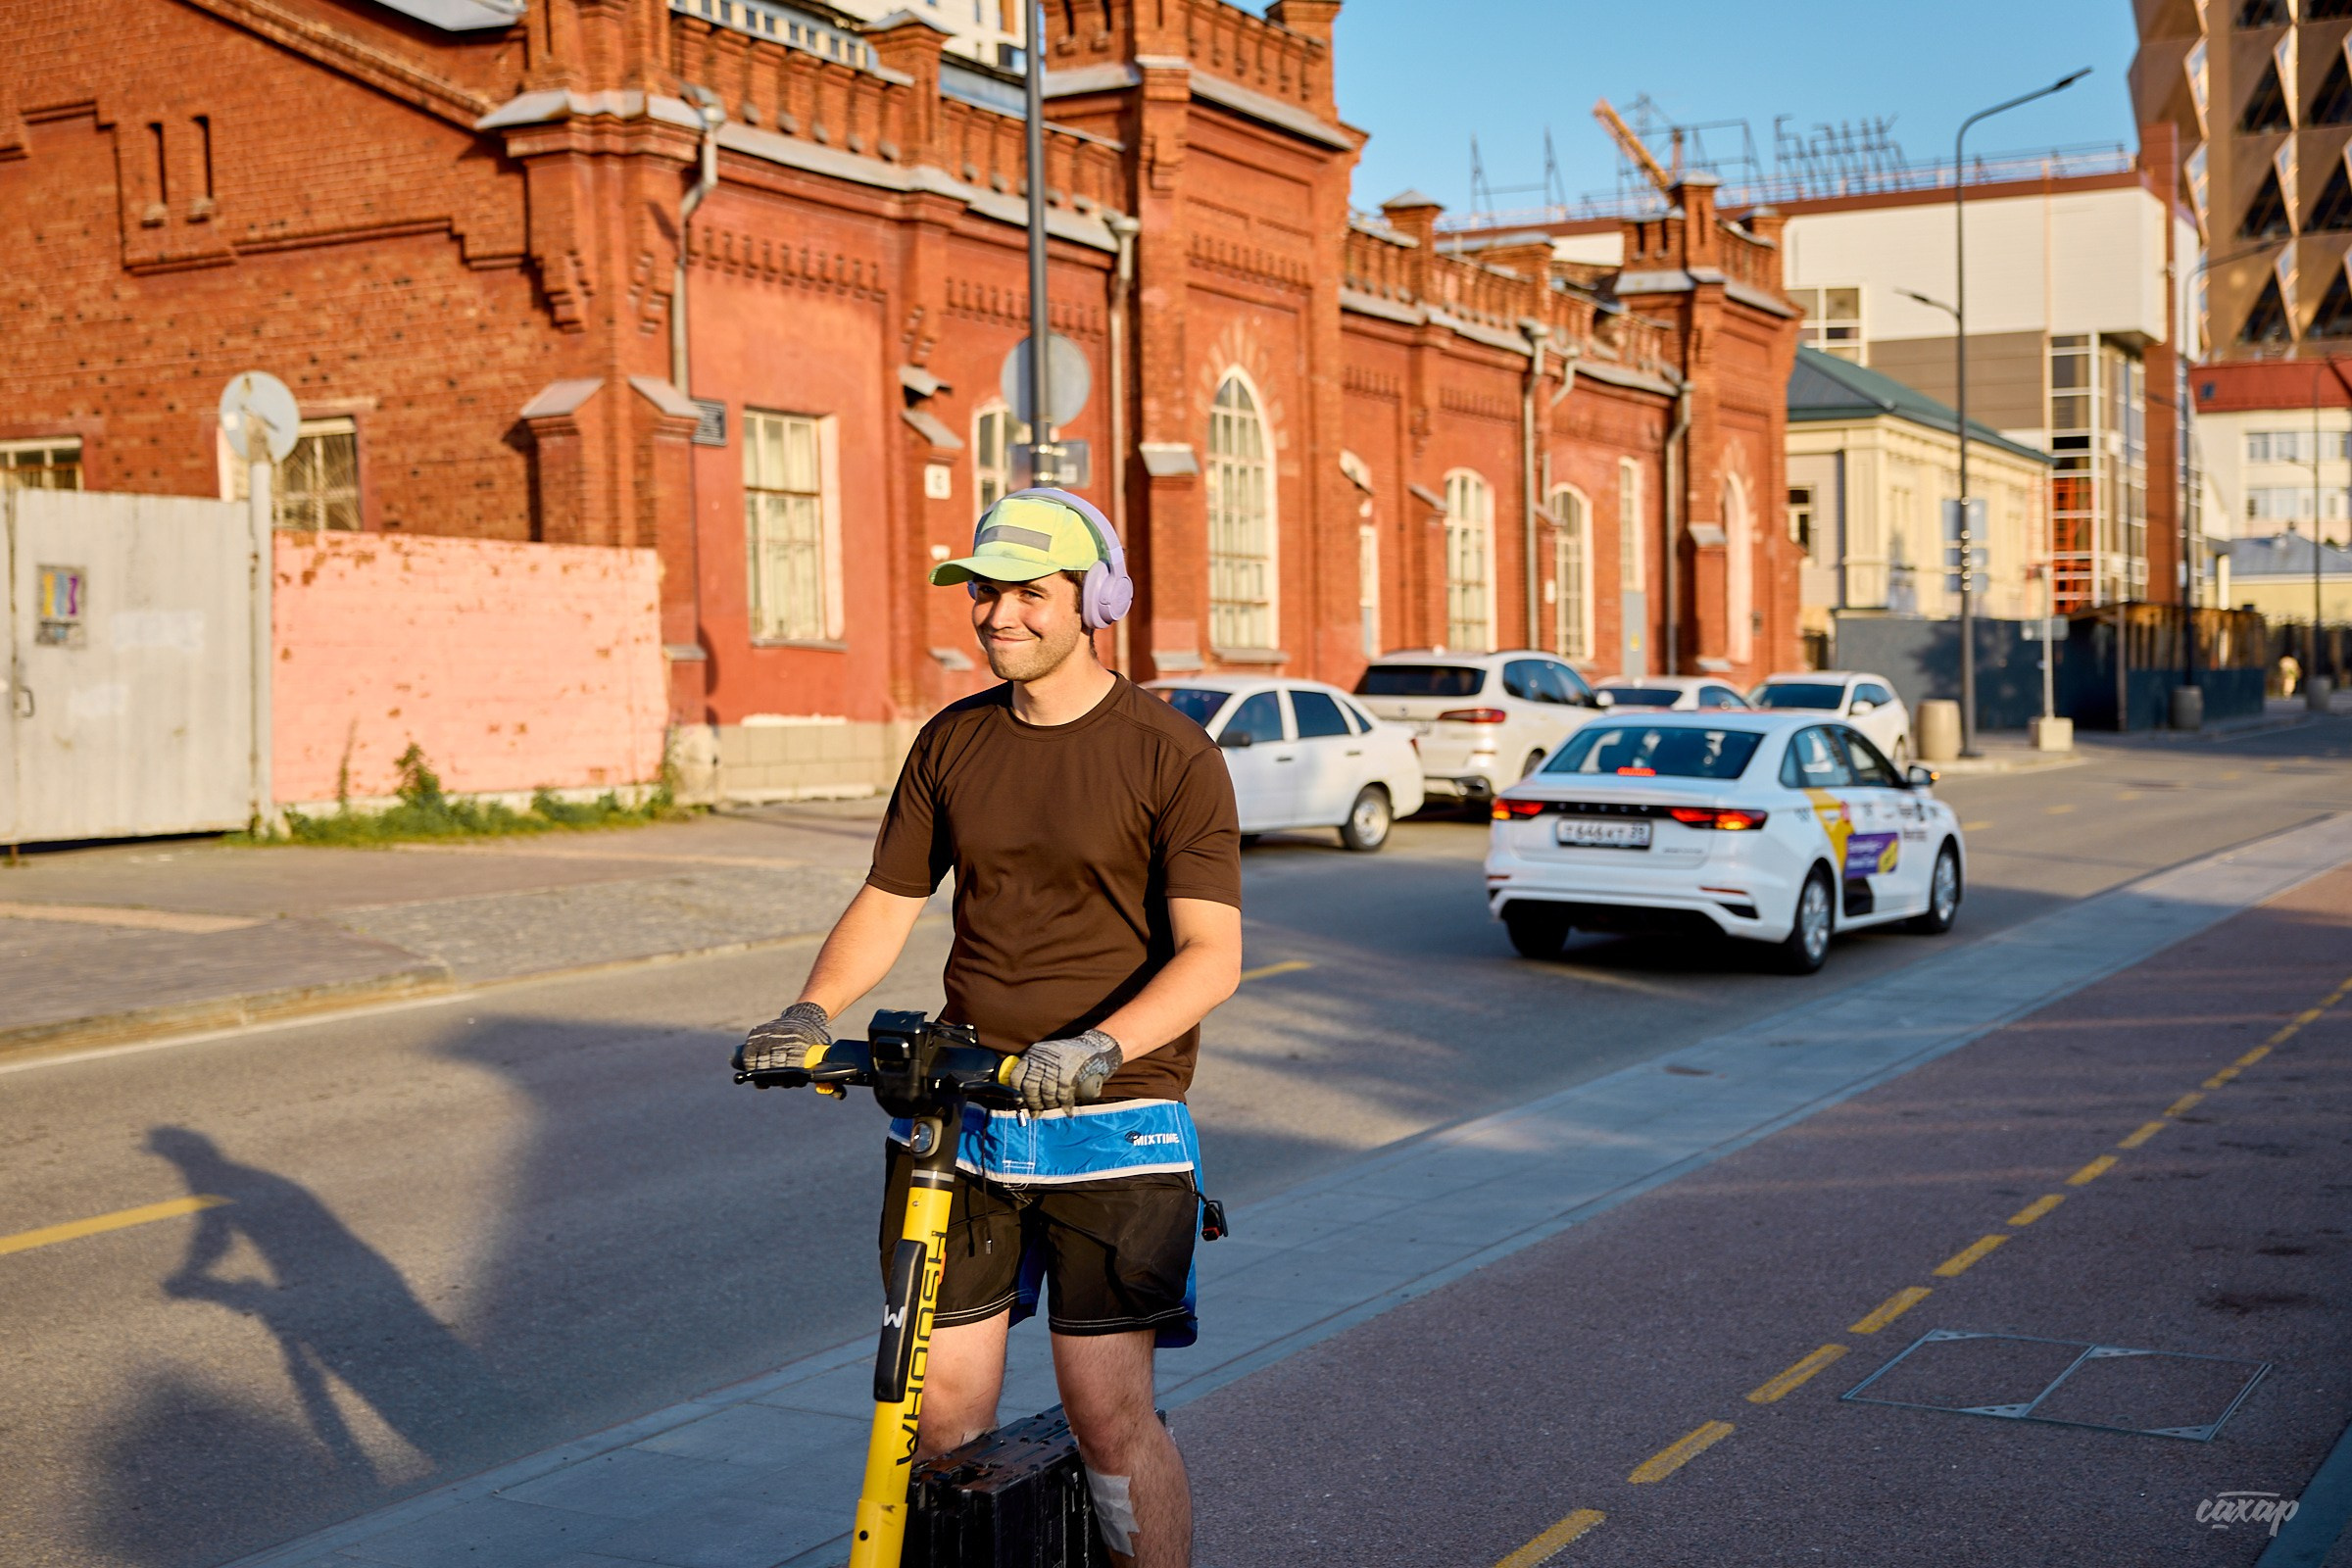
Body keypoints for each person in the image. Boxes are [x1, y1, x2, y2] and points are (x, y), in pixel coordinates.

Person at [736, 488, 1242, 1568]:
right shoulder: (953, 741)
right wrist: (808, 1009)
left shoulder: (1172, 755)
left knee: (1108, 1414)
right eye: (983, 589)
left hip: (1116, 1120)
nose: (996, 612)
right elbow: (889, 900)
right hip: (968, 1118)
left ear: (1094, 599)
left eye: (1027, 591)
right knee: (940, 1421)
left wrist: (1098, 1045)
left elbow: (1212, 953)